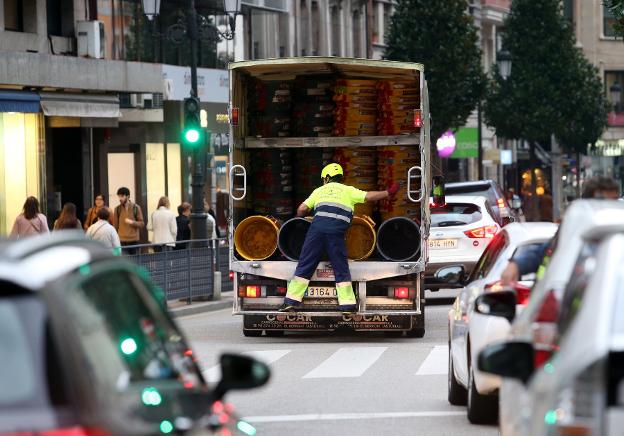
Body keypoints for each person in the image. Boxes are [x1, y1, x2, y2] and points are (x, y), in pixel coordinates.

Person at [279, 163, 399, 313]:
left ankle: (291, 302)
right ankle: (347, 305)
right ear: (340, 178)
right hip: (336, 235)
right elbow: (369, 196)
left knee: (305, 265)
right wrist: (388, 192)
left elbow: (302, 208)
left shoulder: (319, 191)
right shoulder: (348, 191)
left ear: (327, 178)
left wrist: (298, 217)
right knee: (340, 268)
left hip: (316, 233)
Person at [500, 175, 620, 285]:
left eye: (613, 201)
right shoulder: (574, 229)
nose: (608, 206)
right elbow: (546, 250)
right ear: (586, 204)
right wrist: (516, 264)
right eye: (601, 201)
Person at [113, 187, 145, 255]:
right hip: (122, 241)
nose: (120, 198)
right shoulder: (117, 209)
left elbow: (142, 224)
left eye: (122, 196)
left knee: (134, 262)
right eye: (119, 196)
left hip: (134, 240)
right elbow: (115, 227)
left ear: (128, 196)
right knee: (125, 262)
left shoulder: (136, 208)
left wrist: (132, 222)